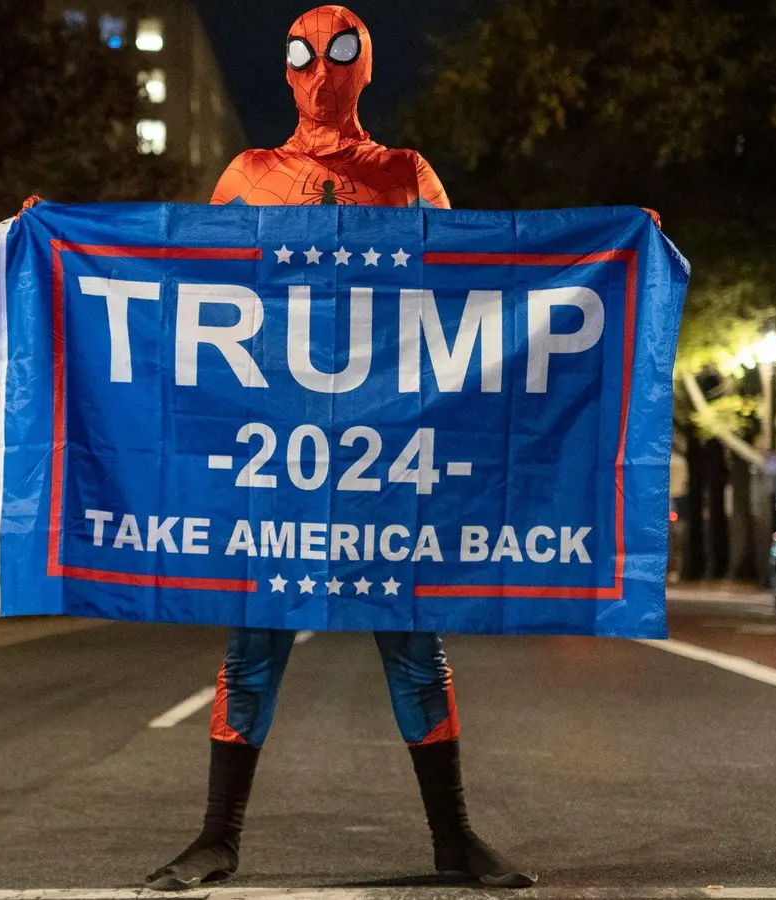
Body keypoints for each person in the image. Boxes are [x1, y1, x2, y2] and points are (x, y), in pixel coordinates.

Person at [146, 6, 534, 890]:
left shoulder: (407, 175)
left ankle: (453, 841)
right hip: (277, 454)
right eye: (303, 53)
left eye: (340, 50)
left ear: (366, 65)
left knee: (412, 642)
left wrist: (612, 254)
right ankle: (217, 838)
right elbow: (185, 283)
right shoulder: (248, 175)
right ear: (287, 69)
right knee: (253, 646)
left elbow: (473, 287)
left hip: (380, 452)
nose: (321, 69)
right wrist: (54, 244)